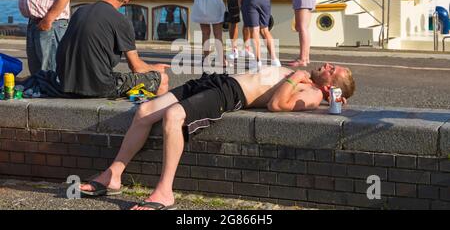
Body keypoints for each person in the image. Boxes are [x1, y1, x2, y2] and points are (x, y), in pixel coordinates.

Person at [79, 63, 355, 210]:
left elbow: (278, 105)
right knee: (144, 112)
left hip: (229, 94)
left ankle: (164, 192)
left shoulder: (313, 93)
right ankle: (114, 174)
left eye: (333, 71)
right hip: (216, 81)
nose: (328, 65)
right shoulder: (306, 78)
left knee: (174, 116)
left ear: (330, 87)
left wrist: (295, 77)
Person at [56, 0, 170, 99]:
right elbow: (136, 67)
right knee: (162, 80)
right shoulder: (121, 21)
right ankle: (150, 117)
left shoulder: (79, 12)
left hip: (65, 84)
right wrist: (154, 68)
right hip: (99, 87)